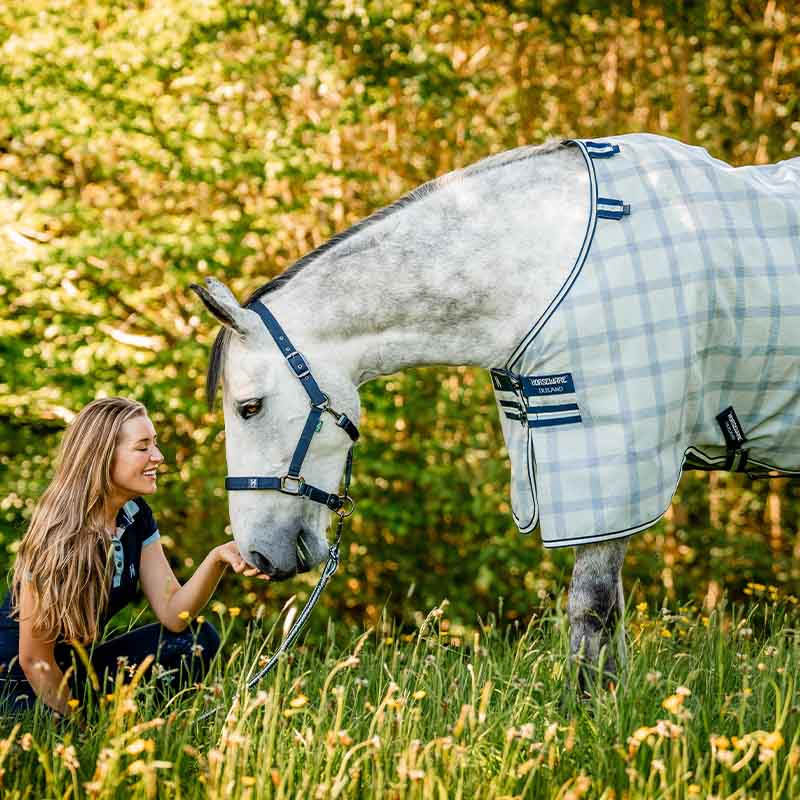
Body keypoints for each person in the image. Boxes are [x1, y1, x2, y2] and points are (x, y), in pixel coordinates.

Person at [0, 397, 269, 723]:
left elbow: (174, 615)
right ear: (102, 456)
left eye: (154, 444)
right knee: (51, 731)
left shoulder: (135, 514)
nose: (158, 456)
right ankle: (87, 723)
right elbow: (33, 660)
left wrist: (217, 559)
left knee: (195, 639)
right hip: (20, 684)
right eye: (143, 447)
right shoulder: (56, 535)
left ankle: (136, 725)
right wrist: (79, 730)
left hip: (76, 672)